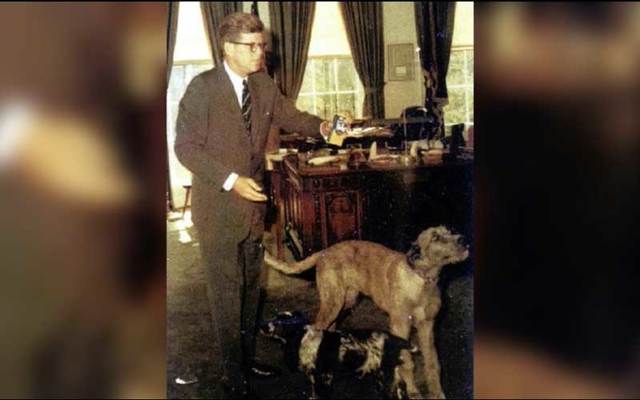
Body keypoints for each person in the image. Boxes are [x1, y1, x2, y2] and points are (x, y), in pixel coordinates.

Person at [174, 12, 333, 398]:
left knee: (250, 292)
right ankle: (233, 376)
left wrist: (323, 127)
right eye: (252, 46)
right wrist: (231, 181)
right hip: (219, 211)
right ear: (228, 49)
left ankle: (245, 363)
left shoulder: (262, 84)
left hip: (252, 211)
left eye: (262, 45)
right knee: (226, 297)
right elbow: (185, 147)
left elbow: (290, 115)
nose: (261, 51)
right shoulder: (202, 89)